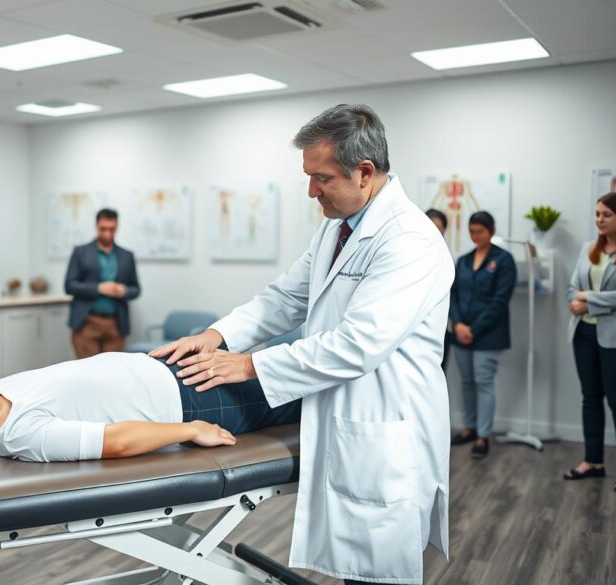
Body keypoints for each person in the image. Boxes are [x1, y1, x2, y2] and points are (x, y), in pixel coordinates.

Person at [151, 104, 454, 584]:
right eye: (308, 176)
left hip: (385, 422)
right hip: (343, 412)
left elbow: (358, 345)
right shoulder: (337, 226)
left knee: (377, 571)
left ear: (365, 172)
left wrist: (250, 365)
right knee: (356, 567)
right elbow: (285, 297)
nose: (312, 190)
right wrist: (215, 335)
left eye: (322, 178)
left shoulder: (409, 240)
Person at [0, 352, 301, 473]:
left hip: (170, 369)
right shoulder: (22, 437)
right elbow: (117, 440)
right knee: (307, 392)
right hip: (193, 400)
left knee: (298, 371)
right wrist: (191, 428)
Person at [563, 192, 616, 493]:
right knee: (590, 398)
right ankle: (593, 461)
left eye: (606, 214)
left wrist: (589, 302)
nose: (599, 219)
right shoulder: (589, 248)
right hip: (583, 334)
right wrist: (580, 300)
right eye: (597, 213)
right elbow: (573, 287)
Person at [448, 211, 517, 459]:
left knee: (483, 382)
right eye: (472, 231)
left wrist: (473, 329)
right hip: (461, 332)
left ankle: (483, 435)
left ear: (491, 230)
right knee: (467, 382)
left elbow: (499, 301)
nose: (475, 236)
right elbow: (453, 294)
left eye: (480, 231)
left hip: (487, 335)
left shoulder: (504, 260)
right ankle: (469, 427)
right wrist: (457, 324)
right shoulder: (464, 260)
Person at [64, 208, 141, 358]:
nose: (107, 233)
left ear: (117, 227)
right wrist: (99, 288)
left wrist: (124, 291)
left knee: (112, 375)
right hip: (86, 323)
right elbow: (69, 285)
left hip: (116, 325)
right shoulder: (80, 252)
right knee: (87, 373)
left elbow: (136, 289)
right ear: (96, 226)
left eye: (111, 229)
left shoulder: (127, 256)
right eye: (103, 229)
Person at [426, 208, 451, 372]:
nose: (435, 231)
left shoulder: (446, 256)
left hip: (440, 328)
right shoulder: (407, 251)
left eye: (439, 228)